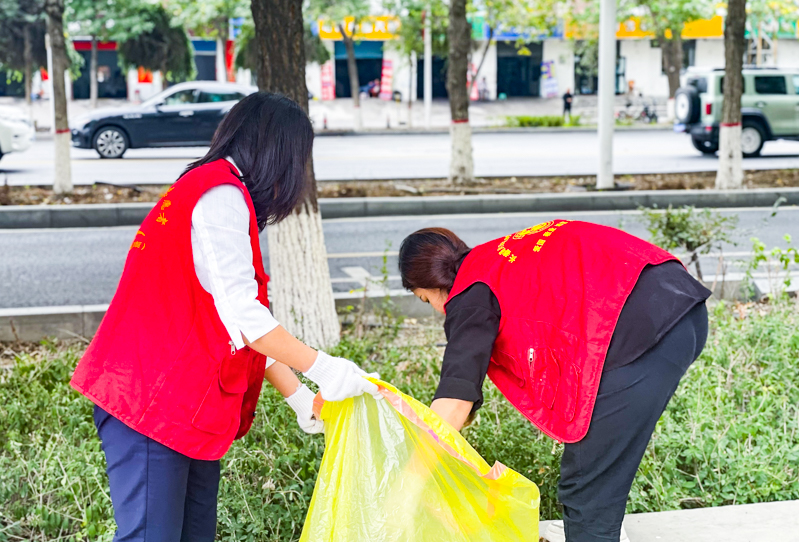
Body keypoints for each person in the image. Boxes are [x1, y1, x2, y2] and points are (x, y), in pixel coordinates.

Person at [70, 92, 380, 542]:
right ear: (280, 153)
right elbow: (244, 315)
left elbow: (235, 325)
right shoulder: (220, 195)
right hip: (150, 401)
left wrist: (299, 398)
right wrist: (326, 369)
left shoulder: (209, 187)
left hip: (178, 403)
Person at [398, 222, 711, 542]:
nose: (438, 310)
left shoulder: (470, 293)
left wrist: (408, 483)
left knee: (587, 489)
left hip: (644, 333)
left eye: (426, 301)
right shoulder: (500, 258)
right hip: (680, 304)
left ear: (433, 284)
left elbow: (455, 400)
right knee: (598, 465)